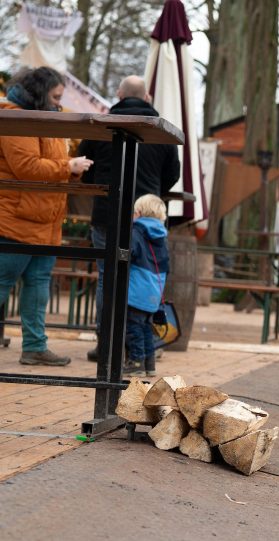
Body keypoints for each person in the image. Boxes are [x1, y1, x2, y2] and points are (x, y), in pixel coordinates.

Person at [78, 75, 180, 362]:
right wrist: (152, 192)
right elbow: (173, 173)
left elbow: (83, 165)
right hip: (148, 218)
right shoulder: (161, 130)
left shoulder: (101, 125)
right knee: (146, 275)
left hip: (106, 214)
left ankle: (106, 344)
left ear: (119, 94)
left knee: (106, 278)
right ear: (146, 98)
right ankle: (142, 344)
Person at [0, 67, 93, 366]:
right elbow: (26, 166)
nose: (58, 103)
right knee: (3, 282)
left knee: (38, 287)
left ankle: (35, 346)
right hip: (15, 219)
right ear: (39, 94)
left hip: (43, 220)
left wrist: (72, 169)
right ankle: (34, 346)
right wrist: (69, 167)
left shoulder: (43, 117)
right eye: (55, 97)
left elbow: (49, 164)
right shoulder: (15, 118)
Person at [124, 194, 169, 376]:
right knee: (146, 327)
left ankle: (136, 363)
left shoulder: (136, 232)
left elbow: (130, 254)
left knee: (133, 328)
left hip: (136, 291)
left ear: (139, 212)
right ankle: (149, 364)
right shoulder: (161, 236)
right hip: (154, 290)